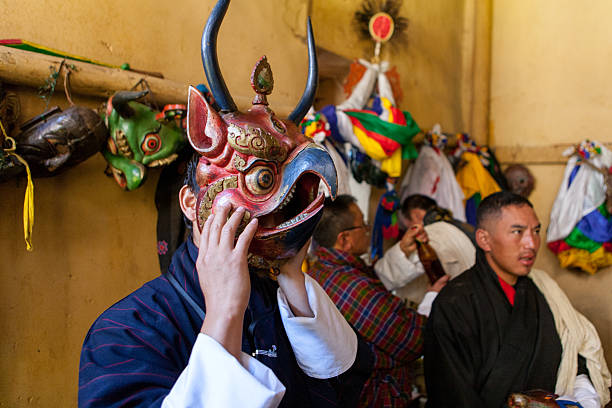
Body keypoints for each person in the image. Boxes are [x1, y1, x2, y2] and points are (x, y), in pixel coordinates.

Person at [78, 158, 372, 407]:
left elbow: (346, 390)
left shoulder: (283, 299)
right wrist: (223, 314)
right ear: (192, 203)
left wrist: (292, 278)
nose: (265, 212)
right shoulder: (125, 330)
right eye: (248, 187)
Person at [424, 191, 611, 408]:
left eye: (536, 231)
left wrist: (585, 395)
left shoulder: (543, 288)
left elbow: (576, 348)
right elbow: (452, 394)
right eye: (517, 232)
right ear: (484, 239)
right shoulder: (454, 303)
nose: (531, 243)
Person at [307, 194, 445, 407]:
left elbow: (372, 282)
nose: (367, 229)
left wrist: (401, 251)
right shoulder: (352, 287)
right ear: (344, 239)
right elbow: (415, 340)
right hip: (374, 396)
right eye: (362, 224)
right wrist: (433, 296)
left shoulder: (323, 270)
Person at [375, 194, 476, 308]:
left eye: (406, 223)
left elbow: (385, 277)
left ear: (416, 214)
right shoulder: (460, 226)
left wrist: (404, 250)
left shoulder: (430, 235)